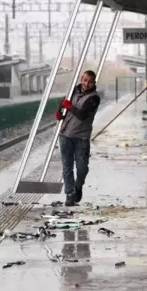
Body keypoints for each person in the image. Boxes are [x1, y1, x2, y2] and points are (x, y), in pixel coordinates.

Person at [55, 70, 101, 206]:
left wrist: (70, 107)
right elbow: (63, 103)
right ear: (81, 79)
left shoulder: (94, 98)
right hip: (66, 134)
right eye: (85, 80)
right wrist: (59, 112)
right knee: (67, 166)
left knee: (82, 168)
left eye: (90, 81)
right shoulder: (72, 92)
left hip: (81, 137)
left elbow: (82, 115)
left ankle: (78, 186)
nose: (87, 83)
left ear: (94, 83)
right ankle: (69, 194)